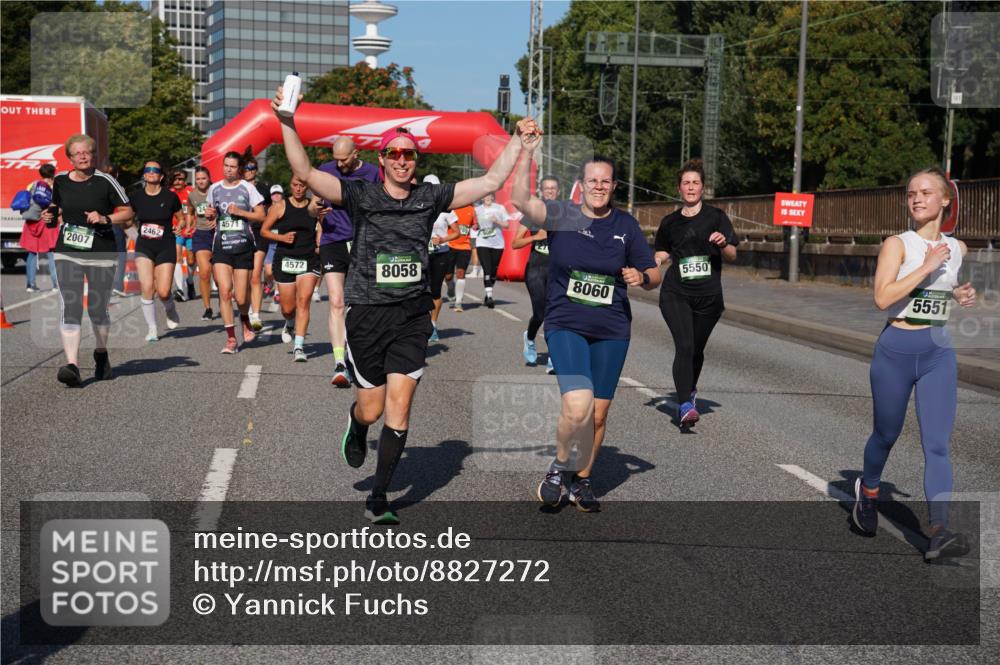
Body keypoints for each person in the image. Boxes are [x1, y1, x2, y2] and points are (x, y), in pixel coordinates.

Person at [274, 83, 536, 523]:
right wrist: (286, 120)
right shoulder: (361, 195)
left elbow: (491, 180)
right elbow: (302, 167)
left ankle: (379, 498)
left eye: (408, 154)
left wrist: (517, 141)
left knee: (400, 407)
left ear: (416, 162)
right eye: (393, 153)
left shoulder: (430, 197)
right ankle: (358, 424)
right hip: (368, 314)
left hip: (412, 315)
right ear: (382, 161)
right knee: (372, 407)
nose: (400, 159)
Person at [512, 145, 660, 513]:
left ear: (613, 186)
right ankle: (559, 470)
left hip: (612, 328)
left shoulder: (625, 225)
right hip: (566, 323)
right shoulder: (561, 213)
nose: (599, 186)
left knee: (597, 414)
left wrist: (642, 276)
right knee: (577, 405)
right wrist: (526, 155)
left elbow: (655, 274)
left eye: (605, 181)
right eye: (592, 180)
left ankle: (581, 480)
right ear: (581, 184)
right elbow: (519, 200)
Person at [852, 166, 976, 562]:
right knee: (886, 435)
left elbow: (944, 287)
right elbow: (882, 298)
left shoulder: (958, 249)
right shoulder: (897, 244)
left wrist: (960, 294)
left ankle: (939, 531)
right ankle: (868, 492)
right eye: (910, 194)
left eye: (925, 192)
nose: (917, 198)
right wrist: (925, 266)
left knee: (937, 445)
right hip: (896, 350)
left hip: (938, 351)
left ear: (945, 201)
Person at [653, 159, 738, 427]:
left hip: (709, 296)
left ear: (703, 188)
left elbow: (734, 255)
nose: (691, 187)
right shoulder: (669, 222)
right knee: (685, 346)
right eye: (686, 183)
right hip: (675, 292)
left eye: (696, 183)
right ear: (679, 188)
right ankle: (686, 404)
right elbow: (663, 251)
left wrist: (723, 244)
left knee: (697, 350)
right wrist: (653, 263)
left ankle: (689, 390)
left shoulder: (716, 217)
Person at [42, 134, 132, 386]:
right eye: (77, 153)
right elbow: (56, 206)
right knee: (70, 304)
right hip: (67, 249)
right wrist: (50, 215)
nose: (82, 156)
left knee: (96, 308)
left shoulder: (106, 182)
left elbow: (127, 212)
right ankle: (72, 365)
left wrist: (104, 218)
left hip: (101, 251)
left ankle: (101, 354)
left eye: (86, 152)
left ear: (93, 155)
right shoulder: (60, 180)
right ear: (70, 158)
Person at [317, 137, 381, 385]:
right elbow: (313, 205)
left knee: (363, 302)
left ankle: (361, 353)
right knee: (336, 301)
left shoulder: (373, 173)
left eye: (344, 159)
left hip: (363, 242)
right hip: (332, 240)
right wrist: (316, 210)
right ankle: (340, 362)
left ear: (356, 153)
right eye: (336, 158)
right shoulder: (326, 170)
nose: (339, 163)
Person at [206, 151, 266, 354]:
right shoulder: (214, 188)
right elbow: (210, 213)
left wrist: (241, 212)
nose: (228, 170)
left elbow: (261, 215)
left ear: (239, 169)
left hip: (243, 246)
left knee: (241, 298)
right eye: (226, 166)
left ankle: (245, 320)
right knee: (224, 292)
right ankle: (231, 339)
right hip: (222, 246)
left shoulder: (248, 188)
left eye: (232, 166)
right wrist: (209, 214)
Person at [261, 176, 322, 361]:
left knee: (304, 301)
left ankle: (299, 347)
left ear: (307, 187)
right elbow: (264, 230)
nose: (298, 189)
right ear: (290, 186)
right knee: (288, 308)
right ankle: (289, 322)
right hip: (285, 258)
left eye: (302, 186)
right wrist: (282, 238)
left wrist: (320, 240)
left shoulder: (314, 206)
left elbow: (323, 226)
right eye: (295, 185)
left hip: (309, 258)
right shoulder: (280, 206)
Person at [130, 160, 184, 341]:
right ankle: (152, 329)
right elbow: (127, 219)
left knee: (163, 291)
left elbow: (181, 218)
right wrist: (132, 235)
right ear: (144, 174)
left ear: (161, 176)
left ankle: (170, 308)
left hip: (165, 245)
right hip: (144, 246)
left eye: (155, 170)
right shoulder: (136, 197)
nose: (151, 172)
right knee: (146, 287)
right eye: (147, 170)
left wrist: (180, 226)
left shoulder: (170, 197)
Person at [512, 174, 559, 373]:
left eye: (553, 188)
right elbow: (515, 243)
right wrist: (536, 237)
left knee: (555, 315)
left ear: (558, 192)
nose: (550, 191)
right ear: (541, 191)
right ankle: (530, 338)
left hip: (558, 270)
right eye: (546, 188)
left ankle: (553, 358)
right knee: (540, 313)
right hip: (536, 270)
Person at [424, 174, 460, 343]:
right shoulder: (418, 205)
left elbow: (457, 232)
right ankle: (418, 324)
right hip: (421, 253)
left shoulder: (447, 209)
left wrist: (443, 239)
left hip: (440, 253)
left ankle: (432, 325)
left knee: (435, 290)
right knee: (420, 290)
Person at [18, 163, 59, 292]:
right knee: (51, 253)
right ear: (53, 174)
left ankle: (30, 285)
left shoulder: (32, 185)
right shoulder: (53, 187)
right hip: (46, 223)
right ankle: (56, 286)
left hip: (31, 223)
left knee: (32, 253)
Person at [242, 155, 272, 331]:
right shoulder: (237, 187)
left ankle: (256, 315)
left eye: (252, 168)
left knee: (255, 275)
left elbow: (270, 208)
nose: (249, 172)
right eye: (246, 168)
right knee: (243, 278)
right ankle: (246, 309)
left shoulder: (263, 188)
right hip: (242, 233)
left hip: (260, 233)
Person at [473, 192, 510, 308]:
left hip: (497, 244)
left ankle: (487, 292)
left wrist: (497, 221)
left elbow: (507, 225)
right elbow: (474, 223)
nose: (487, 197)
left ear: (493, 197)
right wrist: (476, 226)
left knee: (493, 271)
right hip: (482, 242)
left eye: (489, 196)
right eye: (485, 195)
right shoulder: (477, 210)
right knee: (487, 269)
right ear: (482, 197)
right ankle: (489, 297)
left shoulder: (500, 208)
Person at [188, 166, 216, 320]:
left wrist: (217, 219)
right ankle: (208, 308)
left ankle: (228, 301)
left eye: (203, 178)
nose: (200, 181)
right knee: (204, 272)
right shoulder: (192, 196)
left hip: (218, 234)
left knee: (218, 277)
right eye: (198, 178)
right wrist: (189, 225)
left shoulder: (217, 191)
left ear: (209, 178)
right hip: (201, 235)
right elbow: (190, 212)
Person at [443, 204, 476, 312]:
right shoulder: (451, 208)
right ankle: (450, 289)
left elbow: (475, 224)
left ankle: (458, 302)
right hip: (449, 245)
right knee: (448, 276)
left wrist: (476, 226)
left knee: (461, 273)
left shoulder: (471, 209)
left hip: (465, 246)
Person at [170, 169, 195, 301]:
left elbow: (198, 211)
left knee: (191, 261)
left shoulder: (191, 192)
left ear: (185, 181)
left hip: (191, 231)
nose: (177, 182)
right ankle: (179, 289)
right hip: (177, 231)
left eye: (180, 179)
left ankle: (190, 282)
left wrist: (194, 226)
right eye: (175, 179)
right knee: (177, 258)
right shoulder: (169, 194)